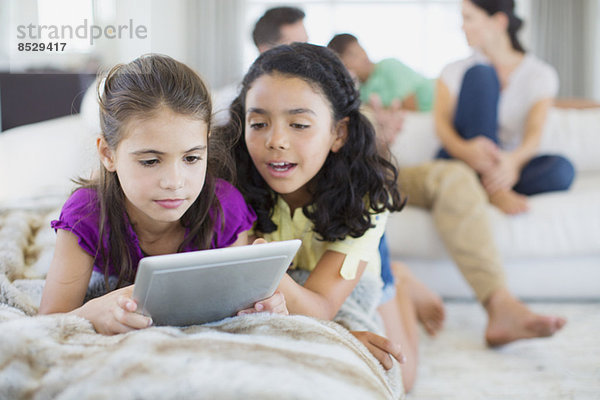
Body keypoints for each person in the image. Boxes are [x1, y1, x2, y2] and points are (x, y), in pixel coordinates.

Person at [327, 26, 567, 345]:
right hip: (365, 177)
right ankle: (489, 195)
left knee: (458, 174)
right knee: (458, 170)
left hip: (388, 171)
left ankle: (500, 302)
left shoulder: (373, 86)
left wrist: (375, 132)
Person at [217, 43, 419, 392]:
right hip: (297, 279)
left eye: (298, 124)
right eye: (259, 123)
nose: (275, 140)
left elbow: (322, 304)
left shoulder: (365, 196)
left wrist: (254, 263)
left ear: (338, 133)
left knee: (408, 376)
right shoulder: (229, 182)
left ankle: (398, 281)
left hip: (352, 267)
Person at [38, 54, 286, 335]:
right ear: (108, 154)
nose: (174, 182)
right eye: (150, 161)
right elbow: (50, 321)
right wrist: (92, 312)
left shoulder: (224, 208)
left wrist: (262, 305)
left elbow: (237, 306)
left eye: (191, 158)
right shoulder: (86, 212)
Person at [434, 0, 575, 215]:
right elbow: (441, 125)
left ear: (498, 21)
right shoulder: (454, 71)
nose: (462, 27)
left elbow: (534, 132)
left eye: (469, 18)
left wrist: (513, 164)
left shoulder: (540, 74)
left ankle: (486, 185)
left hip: (507, 163)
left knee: (562, 170)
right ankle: (496, 191)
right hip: (461, 159)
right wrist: (465, 151)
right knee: (481, 73)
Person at [327, 33, 435, 112]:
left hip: (441, 97)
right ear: (343, 66)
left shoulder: (389, 65)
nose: (363, 56)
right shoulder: (360, 90)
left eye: (360, 49)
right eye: (353, 55)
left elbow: (411, 105)